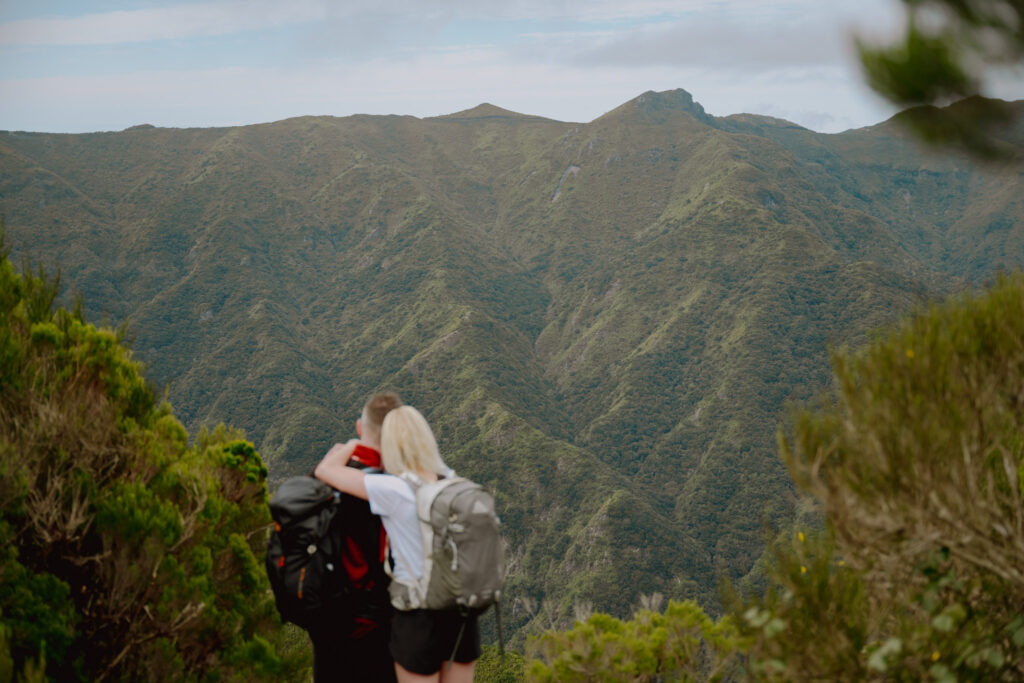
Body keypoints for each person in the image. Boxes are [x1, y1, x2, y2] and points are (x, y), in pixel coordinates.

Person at [314, 405, 480, 683]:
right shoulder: (455, 481)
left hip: (418, 615)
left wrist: (355, 442)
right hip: (461, 613)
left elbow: (326, 471)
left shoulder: (394, 489)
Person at [307, 392, 403, 683]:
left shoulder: (321, 481)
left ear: (360, 428)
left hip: (328, 630)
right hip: (380, 632)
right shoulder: (399, 489)